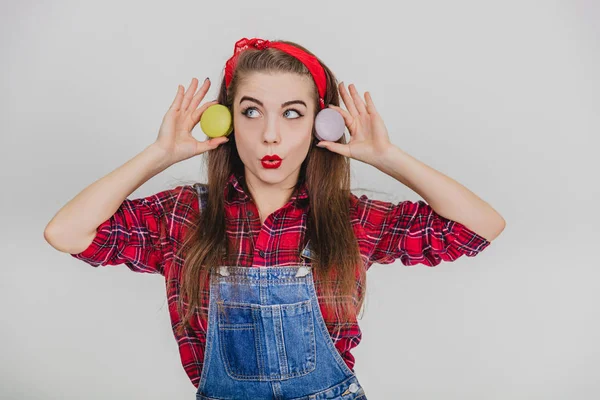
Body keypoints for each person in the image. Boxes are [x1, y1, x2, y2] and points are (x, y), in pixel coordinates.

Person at [44, 37, 505, 399]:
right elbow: (65, 232)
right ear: (224, 121)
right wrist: (158, 154)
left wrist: (388, 157)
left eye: (292, 114)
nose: (270, 135)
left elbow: (482, 227)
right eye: (251, 112)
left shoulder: (351, 219)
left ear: (320, 126)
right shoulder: (182, 216)